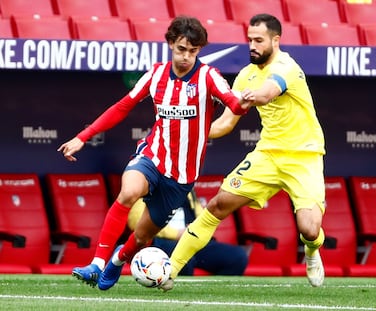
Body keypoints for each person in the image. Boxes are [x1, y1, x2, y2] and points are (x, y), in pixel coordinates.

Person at [57, 15, 250, 290]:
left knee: (140, 236)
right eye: (181, 49)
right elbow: (122, 107)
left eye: (193, 51)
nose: (186, 57)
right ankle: (97, 264)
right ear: (170, 44)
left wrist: (243, 104)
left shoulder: (209, 77)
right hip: (153, 157)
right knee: (127, 192)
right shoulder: (157, 74)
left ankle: (117, 260)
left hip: (181, 176)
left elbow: (233, 104)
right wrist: (82, 137)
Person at [161, 13, 326, 291]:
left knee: (309, 229)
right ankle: (169, 271)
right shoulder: (246, 75)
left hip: (304, 157)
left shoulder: (287, 67)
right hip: (268, 155)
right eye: (249, 39)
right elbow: (227, 121)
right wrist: (193, 132)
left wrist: (248, 97)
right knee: (217, 205)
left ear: (275, 40)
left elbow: (266, 93)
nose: (252, 45)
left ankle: (312, 251)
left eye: (259, 40)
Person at [127, 190, 248, 276]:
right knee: (184, 261)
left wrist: (198, 227)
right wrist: (177, 233)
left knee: (237, 257)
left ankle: (211, 296)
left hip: (191, 239)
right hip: (162, 242)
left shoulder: (187, 188)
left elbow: (203, 216)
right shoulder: (150, 185)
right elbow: (136, 222)